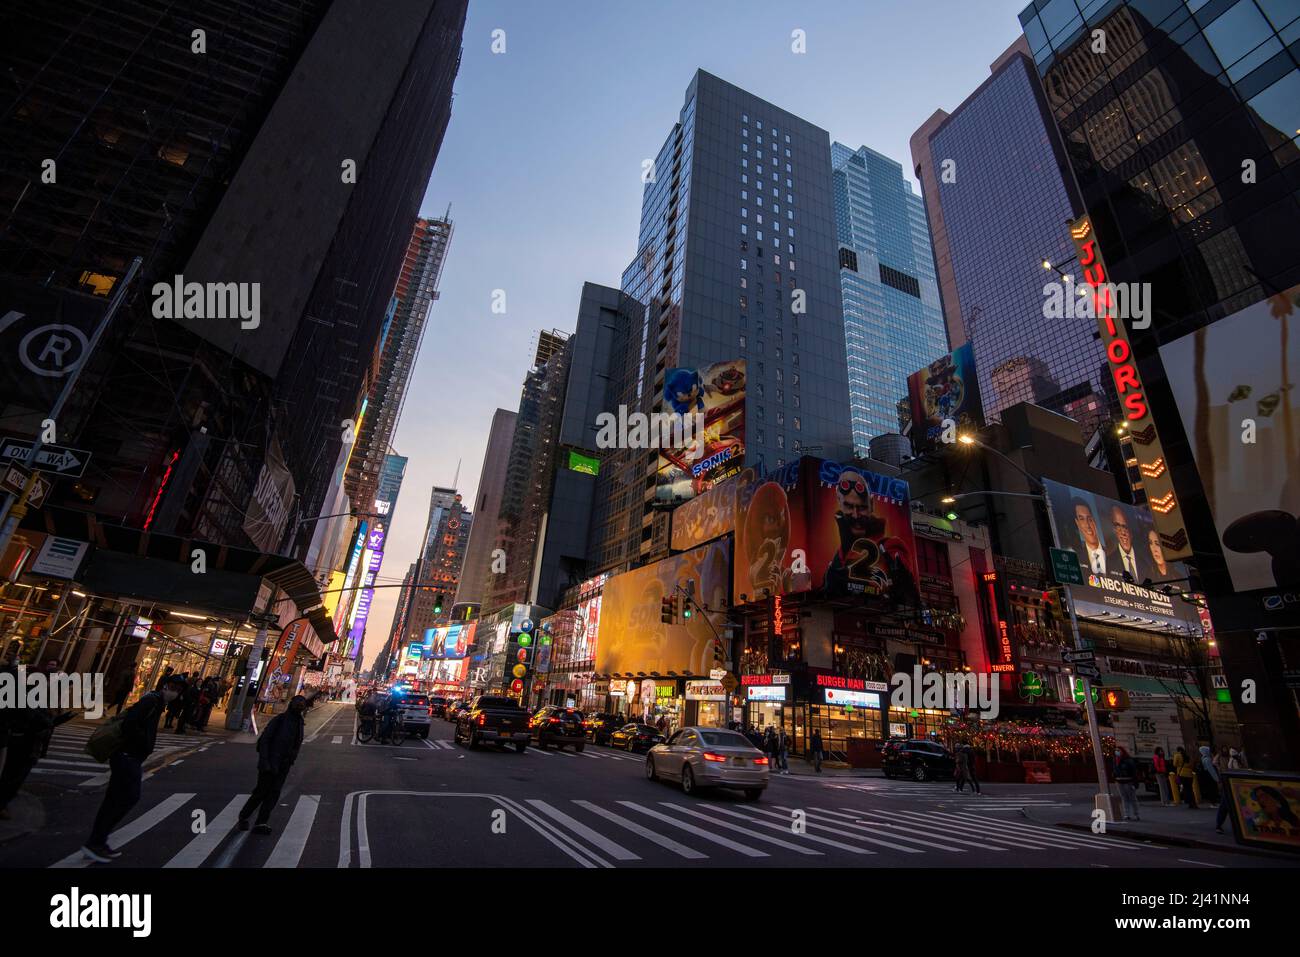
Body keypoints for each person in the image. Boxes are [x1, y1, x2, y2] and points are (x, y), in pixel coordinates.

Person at [82, 674, 185, 861]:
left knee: (115, 799)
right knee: (128, 797)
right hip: (127, 756)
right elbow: (130, 724)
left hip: (130, 756)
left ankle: (97, 840)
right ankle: (96, 841)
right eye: (173, 688)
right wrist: (142, 742)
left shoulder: (157, 702)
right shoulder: (151, 701)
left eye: (178, 690)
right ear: (165, 686)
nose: (175, 692)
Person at [238, 694, 307, 834]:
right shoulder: (280, 720)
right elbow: (264, 740)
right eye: (298, 703)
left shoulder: (299, 722)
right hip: (270, 761)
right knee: (261, 792)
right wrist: (264, 760)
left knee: (274, 793)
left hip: (284, 763)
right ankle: (244, 816)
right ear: (292, 705)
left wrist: (291, 758)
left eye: (302, 704)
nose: (300, 706)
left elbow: (296, 743)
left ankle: (261, 822)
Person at [1106, 505, 1145, 583]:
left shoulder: (1145, 564)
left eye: (1125, 526)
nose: (1123, 532)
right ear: (1113, 530)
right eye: (1117, 526)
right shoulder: (1108, 563)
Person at [1072, 498, 1108, 574]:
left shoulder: (1112, 553)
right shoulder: (1076, 557)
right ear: (1077, 523)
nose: (1087, 525)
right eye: (1082, 519)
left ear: (1094, 521)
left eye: (1089, 519)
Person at [1115, 746, 1140, 821]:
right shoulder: (1115, 760)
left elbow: (1134, 772)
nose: (1117, 752)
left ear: (1122, 751)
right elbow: (1115, 770)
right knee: (1124, 798)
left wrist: (1135, 783)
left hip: (1128, 781)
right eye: (1116, 750)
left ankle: (1136, 814)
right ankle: (1127, 814)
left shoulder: (1128, 760)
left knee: (1132, 798)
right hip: (1119, 781)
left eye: (1118, 750)